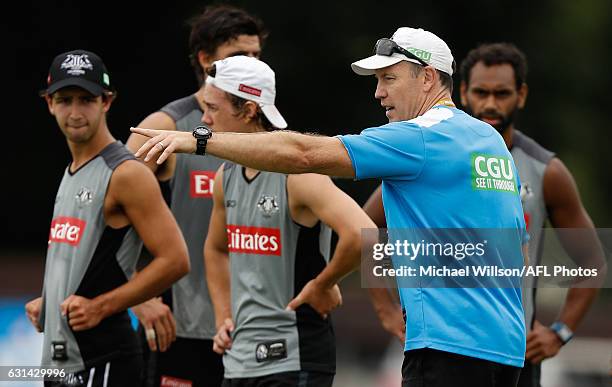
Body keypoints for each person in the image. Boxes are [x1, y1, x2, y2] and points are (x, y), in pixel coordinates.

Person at [132, 27, 530, 387]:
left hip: (448, 345)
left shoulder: (418, 138)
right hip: (505, 348)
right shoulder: (490, 140)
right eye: (378, 81)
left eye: (389, 78)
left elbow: (305, 153)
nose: (379, 93)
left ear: (427, 77)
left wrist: (199, 140)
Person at [194, 55, 375, 386]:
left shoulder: (298, 175)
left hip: (294, 358)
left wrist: (322, 283)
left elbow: (363, 234)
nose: (204, 119)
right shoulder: (225, 175)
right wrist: (223, 316)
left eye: (213, 109)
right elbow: (216, 249)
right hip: (239, 363)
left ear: (248, 111)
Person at [24, 49, 189, 387]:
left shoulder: (126, 172)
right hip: (63, 361)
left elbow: (175, 260)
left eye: (86, 99)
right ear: (49, 104)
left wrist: (101, 306)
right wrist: (51, 301)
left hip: (103, 359)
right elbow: (88, 259)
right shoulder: (72, 170)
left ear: (106, 102)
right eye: (65, 99)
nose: (74, 111)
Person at [126, 5, 267, 386]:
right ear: (206, 60)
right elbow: (109, 216)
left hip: (255, 328)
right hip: (181, 327)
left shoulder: (265, 133)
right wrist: (137, 297)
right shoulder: (165, 127)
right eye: (240, 55)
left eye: (256, 55)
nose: (252, 63)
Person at [459, 42, 604, 387]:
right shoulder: (436, 158)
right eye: (481, 92)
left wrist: (559, 332)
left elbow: (593, 261)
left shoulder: (546, 171)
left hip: (515, 355)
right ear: (463, 93)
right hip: (447, 350)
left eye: (502, 93)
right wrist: (390, 312)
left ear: (521, 95)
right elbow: (364, 226)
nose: (491, 103)